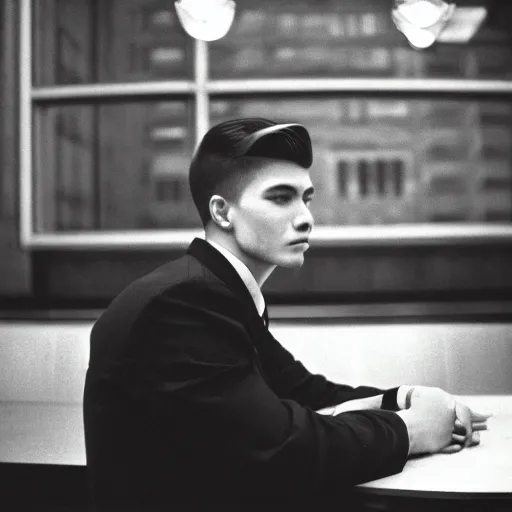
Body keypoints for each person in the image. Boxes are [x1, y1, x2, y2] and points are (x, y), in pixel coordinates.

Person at [83, 118, 490, 510]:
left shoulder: (214, 289)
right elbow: (284, 446)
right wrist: (413, 430)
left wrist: (403, 398)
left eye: (306, 198)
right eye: (280, 198)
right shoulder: (186, 302)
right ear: (223, 212)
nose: (306, 218)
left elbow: (306, 394)